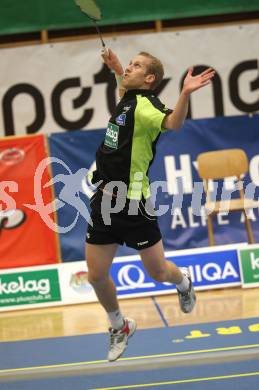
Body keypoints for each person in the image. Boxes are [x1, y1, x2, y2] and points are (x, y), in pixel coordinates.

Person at [86, 49, 215, 362]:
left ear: (150, 79)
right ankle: (120, 325)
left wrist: (184, 93)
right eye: (129, 64)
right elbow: (124, 88)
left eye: (136, 66)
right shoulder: (128, 97)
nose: (129, 68)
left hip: (134, 203)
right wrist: (118, 68)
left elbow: (173, 123)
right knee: (96, 275)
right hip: (104, 199)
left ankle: (183, 283)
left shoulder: (146, 107)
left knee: (158, 271)